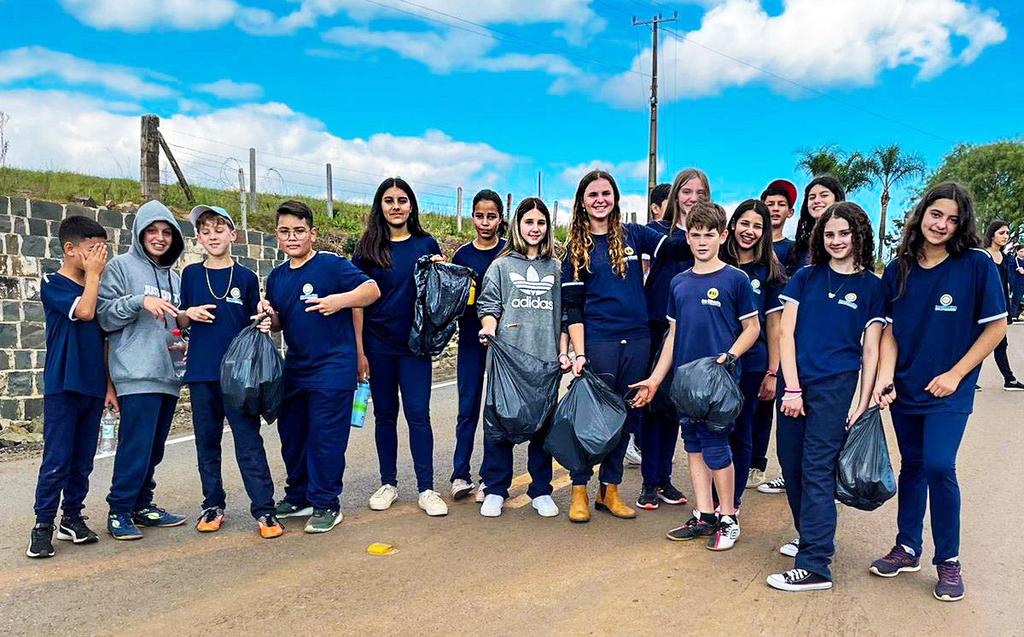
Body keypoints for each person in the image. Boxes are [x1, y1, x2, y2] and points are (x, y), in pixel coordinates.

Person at [872, 182, 1007, 603]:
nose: (942, 225)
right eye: (936, 214)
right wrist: (885, 377)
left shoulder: (976, 265)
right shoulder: (899, 269)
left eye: (952, 219)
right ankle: (907, 547)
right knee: (911, 465)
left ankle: (948, 560)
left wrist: (956, 374)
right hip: (907, 387)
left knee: (938, 464)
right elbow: (891, 331)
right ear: (922, 212)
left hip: (950, 389)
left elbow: (996, 327)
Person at [561, 169, 694, 523]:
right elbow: (572, 308)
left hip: (637, 339)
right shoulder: (575, 249)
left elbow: (679, 245)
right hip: (599, 340)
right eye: (593, 195)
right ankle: (579, 489)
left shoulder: (635, 234)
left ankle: (610, 490)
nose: (601, 199)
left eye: (607, 193)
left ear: (616, 198)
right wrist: (580, 352)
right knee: (590, 420)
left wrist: (692, 210)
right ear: (582, 202)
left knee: (624, 416)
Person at [765, 202, 884, 592]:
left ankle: (815, 563)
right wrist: (793, 387)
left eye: (844, 233)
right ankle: (809, 534)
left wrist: (862, 403)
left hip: (837, 387)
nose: (836, 240)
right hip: (795, 384)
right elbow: (786, 334)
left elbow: (871, 349)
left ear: (859, 236)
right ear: (821, 236)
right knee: (793, 464)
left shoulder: (871, 286)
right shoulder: (805, 277)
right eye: (829, 234)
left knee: (817, 467)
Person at [631, 199, 759, 551]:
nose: (702, 242)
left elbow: (752, 328)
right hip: (685, 383)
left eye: (710, 235)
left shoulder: (736, 279)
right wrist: (656, 379)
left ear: (723, 235)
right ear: (687, 237)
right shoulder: (679, 283)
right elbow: (673, 335)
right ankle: (704, 515)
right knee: (693, 446)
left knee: (717, 448)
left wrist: (729, 356)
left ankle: (728, 516)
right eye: (696, 235)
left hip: (719, 381)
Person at [257, 200, 380, 533]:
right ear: (277, 237)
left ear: (312, 233)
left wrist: (338, 300)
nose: (292, 237)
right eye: (285, 231)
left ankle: (327, 503)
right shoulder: (278, 277)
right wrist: (270, 318)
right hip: (296, 367)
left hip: (334, 366)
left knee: (326, 438)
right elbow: (283, 322)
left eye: (299, 231)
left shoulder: (331, 266)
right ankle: (299, 497)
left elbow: (371, 290)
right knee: (292, 435)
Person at [177, 205, 282, 539]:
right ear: (198, 238)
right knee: (207, 443)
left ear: (233, 235)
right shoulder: (191, 275)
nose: (212, 236)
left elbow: (260, 318)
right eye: (205, 231)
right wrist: (188, 313)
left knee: (248, 441)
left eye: (219, 229)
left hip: (240, 375)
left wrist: (265, 316)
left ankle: (265, 509)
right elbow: (179, 320)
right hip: (201, 373)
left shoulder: (247, 278)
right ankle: (212, 504)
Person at [353, 178, 449, 517]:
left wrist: (441, 272)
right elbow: (357, 303)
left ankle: (427, 488)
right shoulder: (367, 246)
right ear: (380, 205)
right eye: (389, 200)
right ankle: (388, 483)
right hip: (378, 346)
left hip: (415, 346)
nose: (396, 206)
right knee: (385, 416)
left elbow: (440, 294)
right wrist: (360, 351)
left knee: (419, 415)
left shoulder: (426, 244)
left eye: (403, 200)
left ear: (412, 206)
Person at [98, 200, 188, 540]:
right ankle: (119, 510)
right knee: (135, 447)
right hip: (135, 373)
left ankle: (141, 505)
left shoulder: (174, 277)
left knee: (154, 448)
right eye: (152, 230)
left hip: (168, 373)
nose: (160, 238)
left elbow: (176, 323)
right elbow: (104, 316)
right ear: (139, 233)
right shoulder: (121, 268)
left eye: (167, 232)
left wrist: (184, 340)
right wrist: (139, 301)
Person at [476, 197, 565, 518]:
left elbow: (566, 314)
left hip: (544, 360)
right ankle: (495, 488)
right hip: (508, 361)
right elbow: (489, 306)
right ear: (517, 225)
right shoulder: (500, 266)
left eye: (541, 223)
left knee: (543, 426)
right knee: (499, 423)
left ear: (547, 227)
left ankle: (541, 490)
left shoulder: (557, 267)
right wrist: (488, 328)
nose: (535, 229)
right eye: (529, 222)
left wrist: (563, 351)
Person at [28, 217, 110, 558]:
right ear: (70, 249)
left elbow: (103, 339)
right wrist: (93, 276)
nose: (100, 259)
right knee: (57, 459)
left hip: (92, 386)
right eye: (93, 251)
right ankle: (43, 525)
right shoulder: (53, 283)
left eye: (103, 252)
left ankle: (72, 517)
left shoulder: (95, 286)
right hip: (63, 385)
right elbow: (86, 312)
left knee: (82, 460)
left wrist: (108, 385)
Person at [635, 169, 703, 509]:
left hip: (691, 328)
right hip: (656, 323)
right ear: (675, 194)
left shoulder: (706, 236)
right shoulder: (657, 233)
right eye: (687, 192)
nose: (692, 198)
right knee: (652, 403)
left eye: (699, 193)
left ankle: (664, 478)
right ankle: (649, 480)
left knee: (675, 406)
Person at [720, 200, 786, 502]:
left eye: (757, 226)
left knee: (741, 430)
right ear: (733, 225)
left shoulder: (769, 271)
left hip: (752, 363)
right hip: (714, 362)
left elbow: (774, 326)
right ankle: (711, 499)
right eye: (745, 223)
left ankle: (731, 504)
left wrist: (773, 372)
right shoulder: (716, 260)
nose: (750, 231)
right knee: (714, 432)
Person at [449, 190, 507, 503]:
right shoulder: (461, 256)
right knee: (467, 407)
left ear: (500, 217)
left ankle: (490, 478)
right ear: (472, 216)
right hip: (470, 340)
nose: (485, 222)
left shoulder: (508, 253)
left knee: (495, 410)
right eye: (480, 216)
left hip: (502, 344)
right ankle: (460, 474)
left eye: (491, 216)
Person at [982, 220, 1024, 391]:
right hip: (981, 307)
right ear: (992, 234)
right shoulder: (980, 256)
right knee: (972, 344)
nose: (1005, 236)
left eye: (1007, 233)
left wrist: (1007, 309)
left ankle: (1009, 379)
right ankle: (964, 378)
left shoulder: (1006, 259)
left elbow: (1007, 284)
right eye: (1002, 233)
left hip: (999, 307)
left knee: (1001, 343)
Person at [785, 176, 846, 275]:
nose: (817, 201)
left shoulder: (846, 244)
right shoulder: (799, 248)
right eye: (812, 197)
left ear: (836, 199)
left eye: (824, 195)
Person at [761, 179, 797, 265]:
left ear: (790, 212)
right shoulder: (748, 242)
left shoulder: (794, 249)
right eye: (770, 204)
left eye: (781, 204)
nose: (775, 209)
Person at [1009, 243, 1024, 322]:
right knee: (1016, 299)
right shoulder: (1014, 260)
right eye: (1021, 251)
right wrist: (1013, 247)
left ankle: (1019, 314)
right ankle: (1013, 315)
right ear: (1017, 252)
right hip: (1017, 282)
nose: (1023, 254)